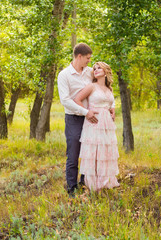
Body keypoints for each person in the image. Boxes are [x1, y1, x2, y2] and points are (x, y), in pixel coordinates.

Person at [57, 43, 99, 196]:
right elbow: (65, 100)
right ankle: (72, 189)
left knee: (88, 153)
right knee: (73, 154)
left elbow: (102, 86)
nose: (89, 61)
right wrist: (85, 111)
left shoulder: (90, 73)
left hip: (90, 119)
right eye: (87, 58)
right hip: (74, 119)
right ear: (79, 57)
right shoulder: (64, 75)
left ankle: (85, 183)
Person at [74, 62, 119, 191]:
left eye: (99, 67)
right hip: (94, 122)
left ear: (106, 71)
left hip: (107, 124)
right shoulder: (91, 87)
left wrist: (113, 109)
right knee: (94, 152)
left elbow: (110, 102)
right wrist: (87, 112)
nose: (96, 70)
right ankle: (93, 184)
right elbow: (77, 99)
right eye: (94, 68)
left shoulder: (109, 89)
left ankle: (106, 181)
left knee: (106, 151)